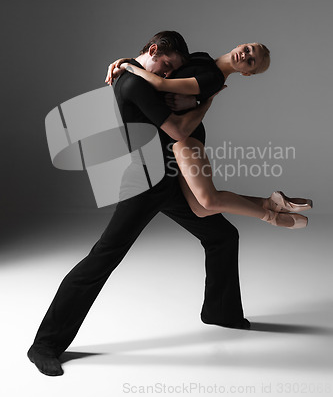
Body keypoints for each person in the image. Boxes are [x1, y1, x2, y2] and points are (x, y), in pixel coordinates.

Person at [28, 31, 250, 377]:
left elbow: (188, 73)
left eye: (172, 69)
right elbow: (178, 131)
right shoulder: (136, 85)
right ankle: (45, 344)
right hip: (144, 183)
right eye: (166, 66)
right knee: (103, 258)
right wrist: (209, 101)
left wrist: (131, 62)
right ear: (152, 51)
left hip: (170, 180)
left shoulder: (139, 73)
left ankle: (221, 312)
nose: (167, 75)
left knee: (222, 236)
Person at [105, 43, 312, 228]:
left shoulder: (214, 78)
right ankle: (270, 202)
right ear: (242, 44)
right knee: (200, 209)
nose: (245, 56)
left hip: (186, 138)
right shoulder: (202, 57)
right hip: (177, 138)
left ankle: (270, 217)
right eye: (248, 50)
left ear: (247, 73)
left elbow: (161, 85)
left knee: (209, 201)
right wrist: (129, 61)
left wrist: (127, 66)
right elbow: (168, 72)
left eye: (250, 62)